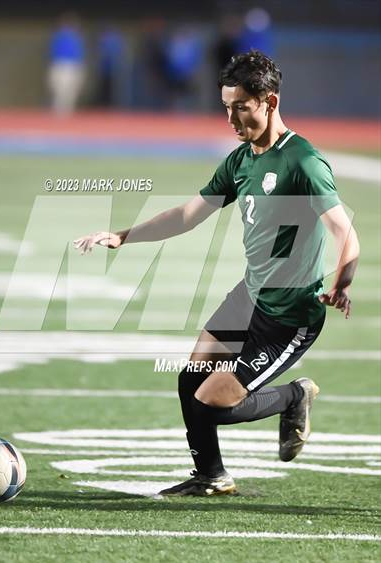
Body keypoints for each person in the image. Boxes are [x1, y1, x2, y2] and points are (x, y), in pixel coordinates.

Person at [74, 50, 360, 497]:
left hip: (290, 314)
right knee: (191, 379)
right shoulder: (241, 160)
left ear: (269, 101)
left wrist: (342, 282)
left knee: (211, 402)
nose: (231, 118)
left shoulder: (303, 161)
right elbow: (189, 214)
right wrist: (123, 236)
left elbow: (344, 230)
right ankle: (211, 475)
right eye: (226, 107)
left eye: (240, 107)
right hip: (250, 295)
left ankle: (294, 396)